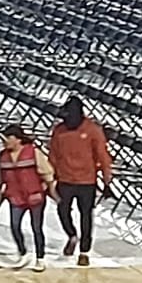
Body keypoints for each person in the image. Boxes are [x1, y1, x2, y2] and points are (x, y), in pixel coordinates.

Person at [48, 96, 113, 266]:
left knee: (86, 216)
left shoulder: (92, 130)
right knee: (62, 210)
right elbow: (53, 154)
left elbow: (102, 155)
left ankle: (84, 251)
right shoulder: (59, 130)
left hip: (87, 181)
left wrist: (107, 181)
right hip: (65, 178)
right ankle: (71, 235)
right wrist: (50, 178)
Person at [0, 124, 56, 272]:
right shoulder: (3, 156)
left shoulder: (34, 152)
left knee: (37, 228)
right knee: (15, 225)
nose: (5, 141)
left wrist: (51, 190)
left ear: (17, 139)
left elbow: (47, 172)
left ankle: (40, 258)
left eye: (8, 138)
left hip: (34, 196)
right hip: (15, 197)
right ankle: (22, 253)